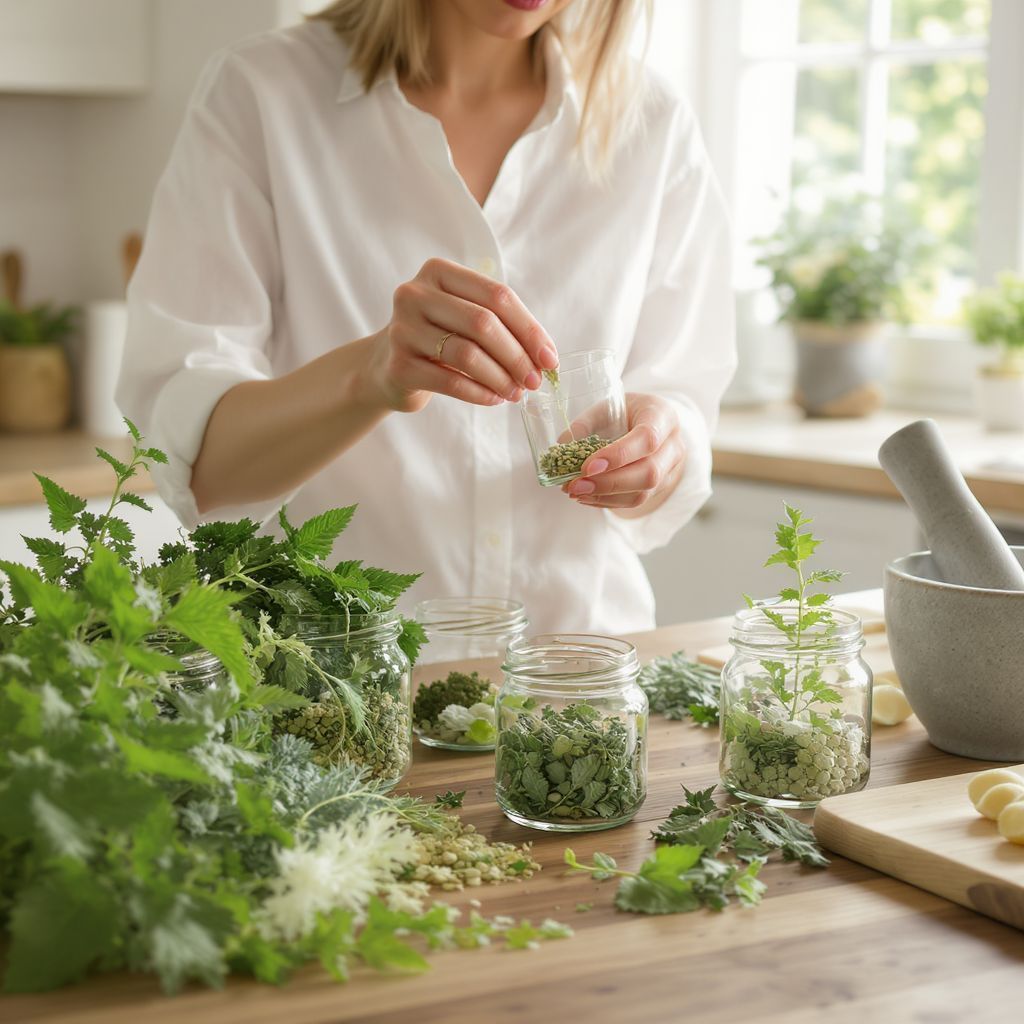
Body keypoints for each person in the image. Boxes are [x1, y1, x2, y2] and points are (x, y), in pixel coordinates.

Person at [117, 0, 736, 635]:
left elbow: (681, 402)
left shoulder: (653, 121)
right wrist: (369, 375)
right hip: (333, 674)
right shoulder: (263, 93)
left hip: (576, 670)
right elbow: (198, 468)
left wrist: (660, 448)